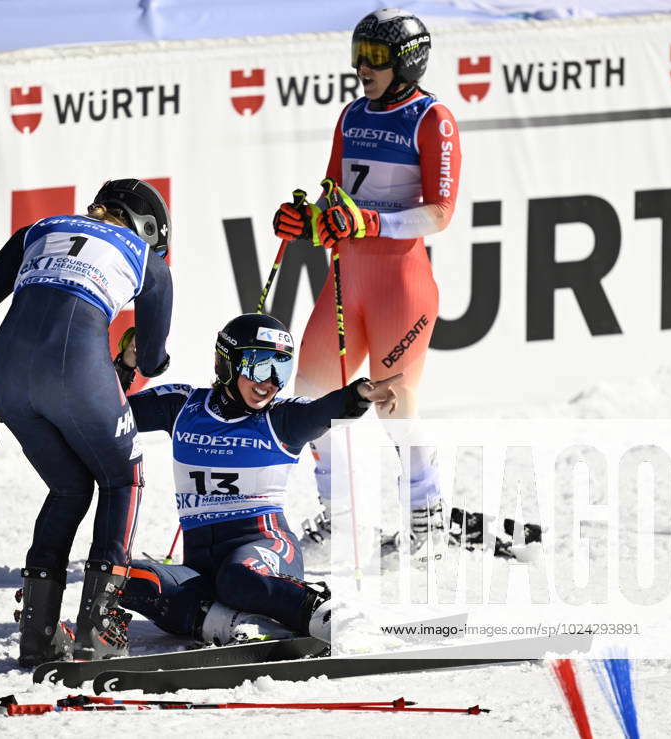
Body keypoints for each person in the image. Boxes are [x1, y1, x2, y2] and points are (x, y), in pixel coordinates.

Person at [0, 179, 173, 666]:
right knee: (124, 479)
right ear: (146, 228)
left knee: (70, 488)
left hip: (6, 374)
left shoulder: (38, 228)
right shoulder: (147, 258)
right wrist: (138, 352)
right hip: (74, 368)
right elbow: (155, 361)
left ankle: (37, 636)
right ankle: (99, 628)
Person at [272, 9, 462, 556]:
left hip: (400, 285)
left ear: (408, 60)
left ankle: (427, 519)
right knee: (309, 396)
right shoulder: (352, 115)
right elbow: (334, 200)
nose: (362, 67)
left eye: (375, 56)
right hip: (345, 281)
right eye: (358, 54)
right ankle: (342, 519)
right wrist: (304, 222)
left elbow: (440, 212)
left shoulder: (433, 119)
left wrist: (372, 221)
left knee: (393, 407)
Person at [113, 313, 400, 645]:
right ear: (228, 363)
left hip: (266, 551)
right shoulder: (182, 406)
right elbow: (104, 411)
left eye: (281, 368)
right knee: (119, 577)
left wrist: (359, 395)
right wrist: (124, 365)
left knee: (238, 577)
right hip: (205, 570)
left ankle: (336, 618)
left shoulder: (281, 418)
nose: (270, 382)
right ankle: (237, 626)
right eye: (259, 365)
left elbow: (321, 412)